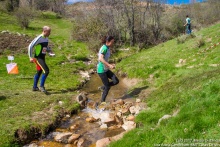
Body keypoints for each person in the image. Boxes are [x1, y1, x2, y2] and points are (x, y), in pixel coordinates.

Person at [28, 26, 54, 93]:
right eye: (49, 32)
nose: (50, 33)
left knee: (39, 72)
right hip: (38, 58)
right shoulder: (39, 38)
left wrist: (49, 52)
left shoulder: (46, 38)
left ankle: (34, 87)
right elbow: (30, 46)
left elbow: (45, 47)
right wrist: (30, 57)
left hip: (42, 57)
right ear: (44, 31)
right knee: (46, 71)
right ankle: (41, 87)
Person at [97, 36, 119, 103]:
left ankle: (103, 87)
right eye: (112, 42)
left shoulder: (107, 48)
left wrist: (110, 64)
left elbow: (104, 59)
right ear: (107, 42)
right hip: (101, 70)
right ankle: (102, 102)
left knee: (115, 81)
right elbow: (100, 58)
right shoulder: (104, 48)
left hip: (105, 69)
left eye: (113, 42)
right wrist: (109, 65)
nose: (113, 43)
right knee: (107, 87)